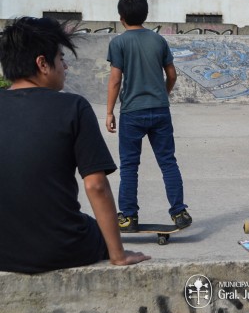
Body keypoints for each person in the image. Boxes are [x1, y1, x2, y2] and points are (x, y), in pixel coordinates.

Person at [0, 17, 150, 273]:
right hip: (59, 248)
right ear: (42, 64)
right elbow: (96, 185)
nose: (65, 66)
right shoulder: (73, 107)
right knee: (96, 229)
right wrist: (118, 254)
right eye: (60, 58)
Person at [106, 0, 191, 232]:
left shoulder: (119, 43)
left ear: (121, 17)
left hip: (132, 113)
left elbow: (114, 81)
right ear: (145, 15)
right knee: (167, 162)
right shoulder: (158, 41)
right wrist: (163, 93)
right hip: (160, 110)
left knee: (130, 166)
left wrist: (110, 112)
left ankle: (129, 217)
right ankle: (179, 212)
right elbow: (172, 75)